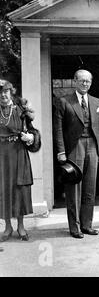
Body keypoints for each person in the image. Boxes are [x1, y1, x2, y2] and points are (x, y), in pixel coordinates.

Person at [54, 69, 99, 239]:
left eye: (88, 81)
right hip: (75, 146)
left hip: (92, 145)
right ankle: (74, 226)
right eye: (82, 81)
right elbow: (58, 129)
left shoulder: (97, 102)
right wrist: (61, 151)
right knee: (74, 187)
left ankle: (87, 224)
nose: (85, 84)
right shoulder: (64, 101)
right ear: (75, 81)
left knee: (90, 187)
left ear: (91, 83)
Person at [0, 79, 41, 242]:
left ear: (11, 92)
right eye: (0, 92)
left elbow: (33, 131)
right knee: (3, 189)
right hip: (1, 156)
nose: (3, 95)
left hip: (18, 154)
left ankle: (21, 226)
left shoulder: (21, 111)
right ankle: (8, 226)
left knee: (20, 189)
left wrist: (30, 137)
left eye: (5, 91)